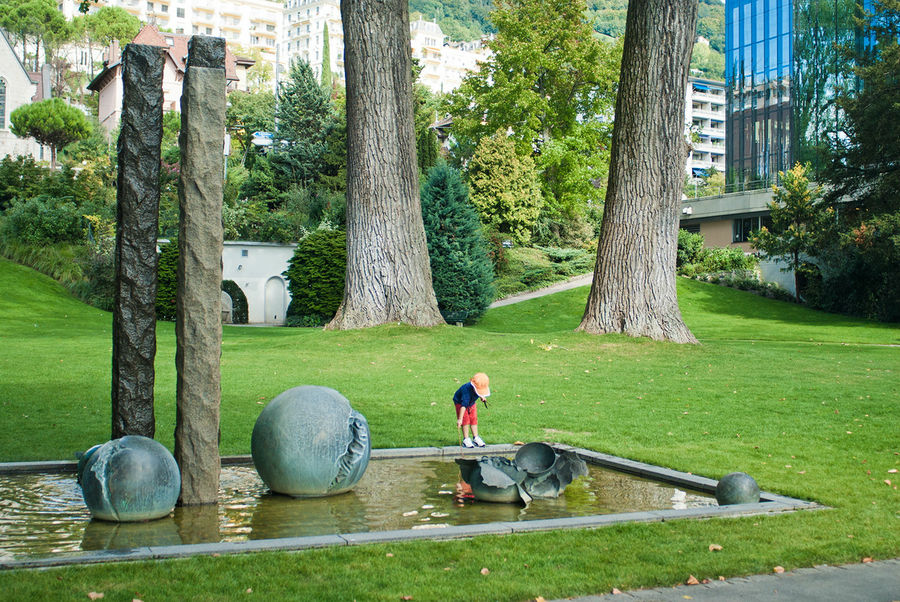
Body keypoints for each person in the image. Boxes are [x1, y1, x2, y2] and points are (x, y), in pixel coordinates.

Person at [453, 372, 490, 448]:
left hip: (471, 403)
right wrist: (460, 419)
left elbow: (479, 392)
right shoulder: (466, 390)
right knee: (465, 420)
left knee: (473, 419)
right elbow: (464, 405)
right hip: (461, 403)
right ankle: (466, 439)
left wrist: (482, 397)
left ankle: (476, 437)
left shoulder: (477, 388)